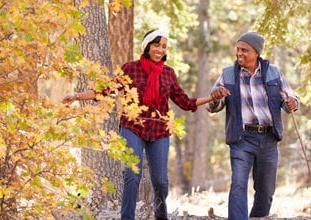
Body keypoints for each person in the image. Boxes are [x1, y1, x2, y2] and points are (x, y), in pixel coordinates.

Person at [62, 29, 226, 220]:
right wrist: (76, 96)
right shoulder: (130, 69)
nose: (160, 49)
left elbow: (185, 102)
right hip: (132, 127)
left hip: (159, 130)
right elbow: (106, 89)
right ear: (147, 46)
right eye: (156, 45)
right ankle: (127, 217)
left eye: (164, 46)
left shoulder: (168, 74)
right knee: (132, 175)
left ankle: (161, 215)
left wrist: (211, 97)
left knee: (161, 181)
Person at [207, 32, 299, 220]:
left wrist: (292, 103)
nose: (239, 53)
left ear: (256, 52)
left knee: (265, 189)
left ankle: (258, 217)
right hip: (241, 138)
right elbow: (212, 106)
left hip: (268, 138)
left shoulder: (273, 72)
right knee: (239, 184)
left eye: (244, 50)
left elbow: (291, 98)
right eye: (238, 49)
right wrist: (215, 97)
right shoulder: (227, 75)